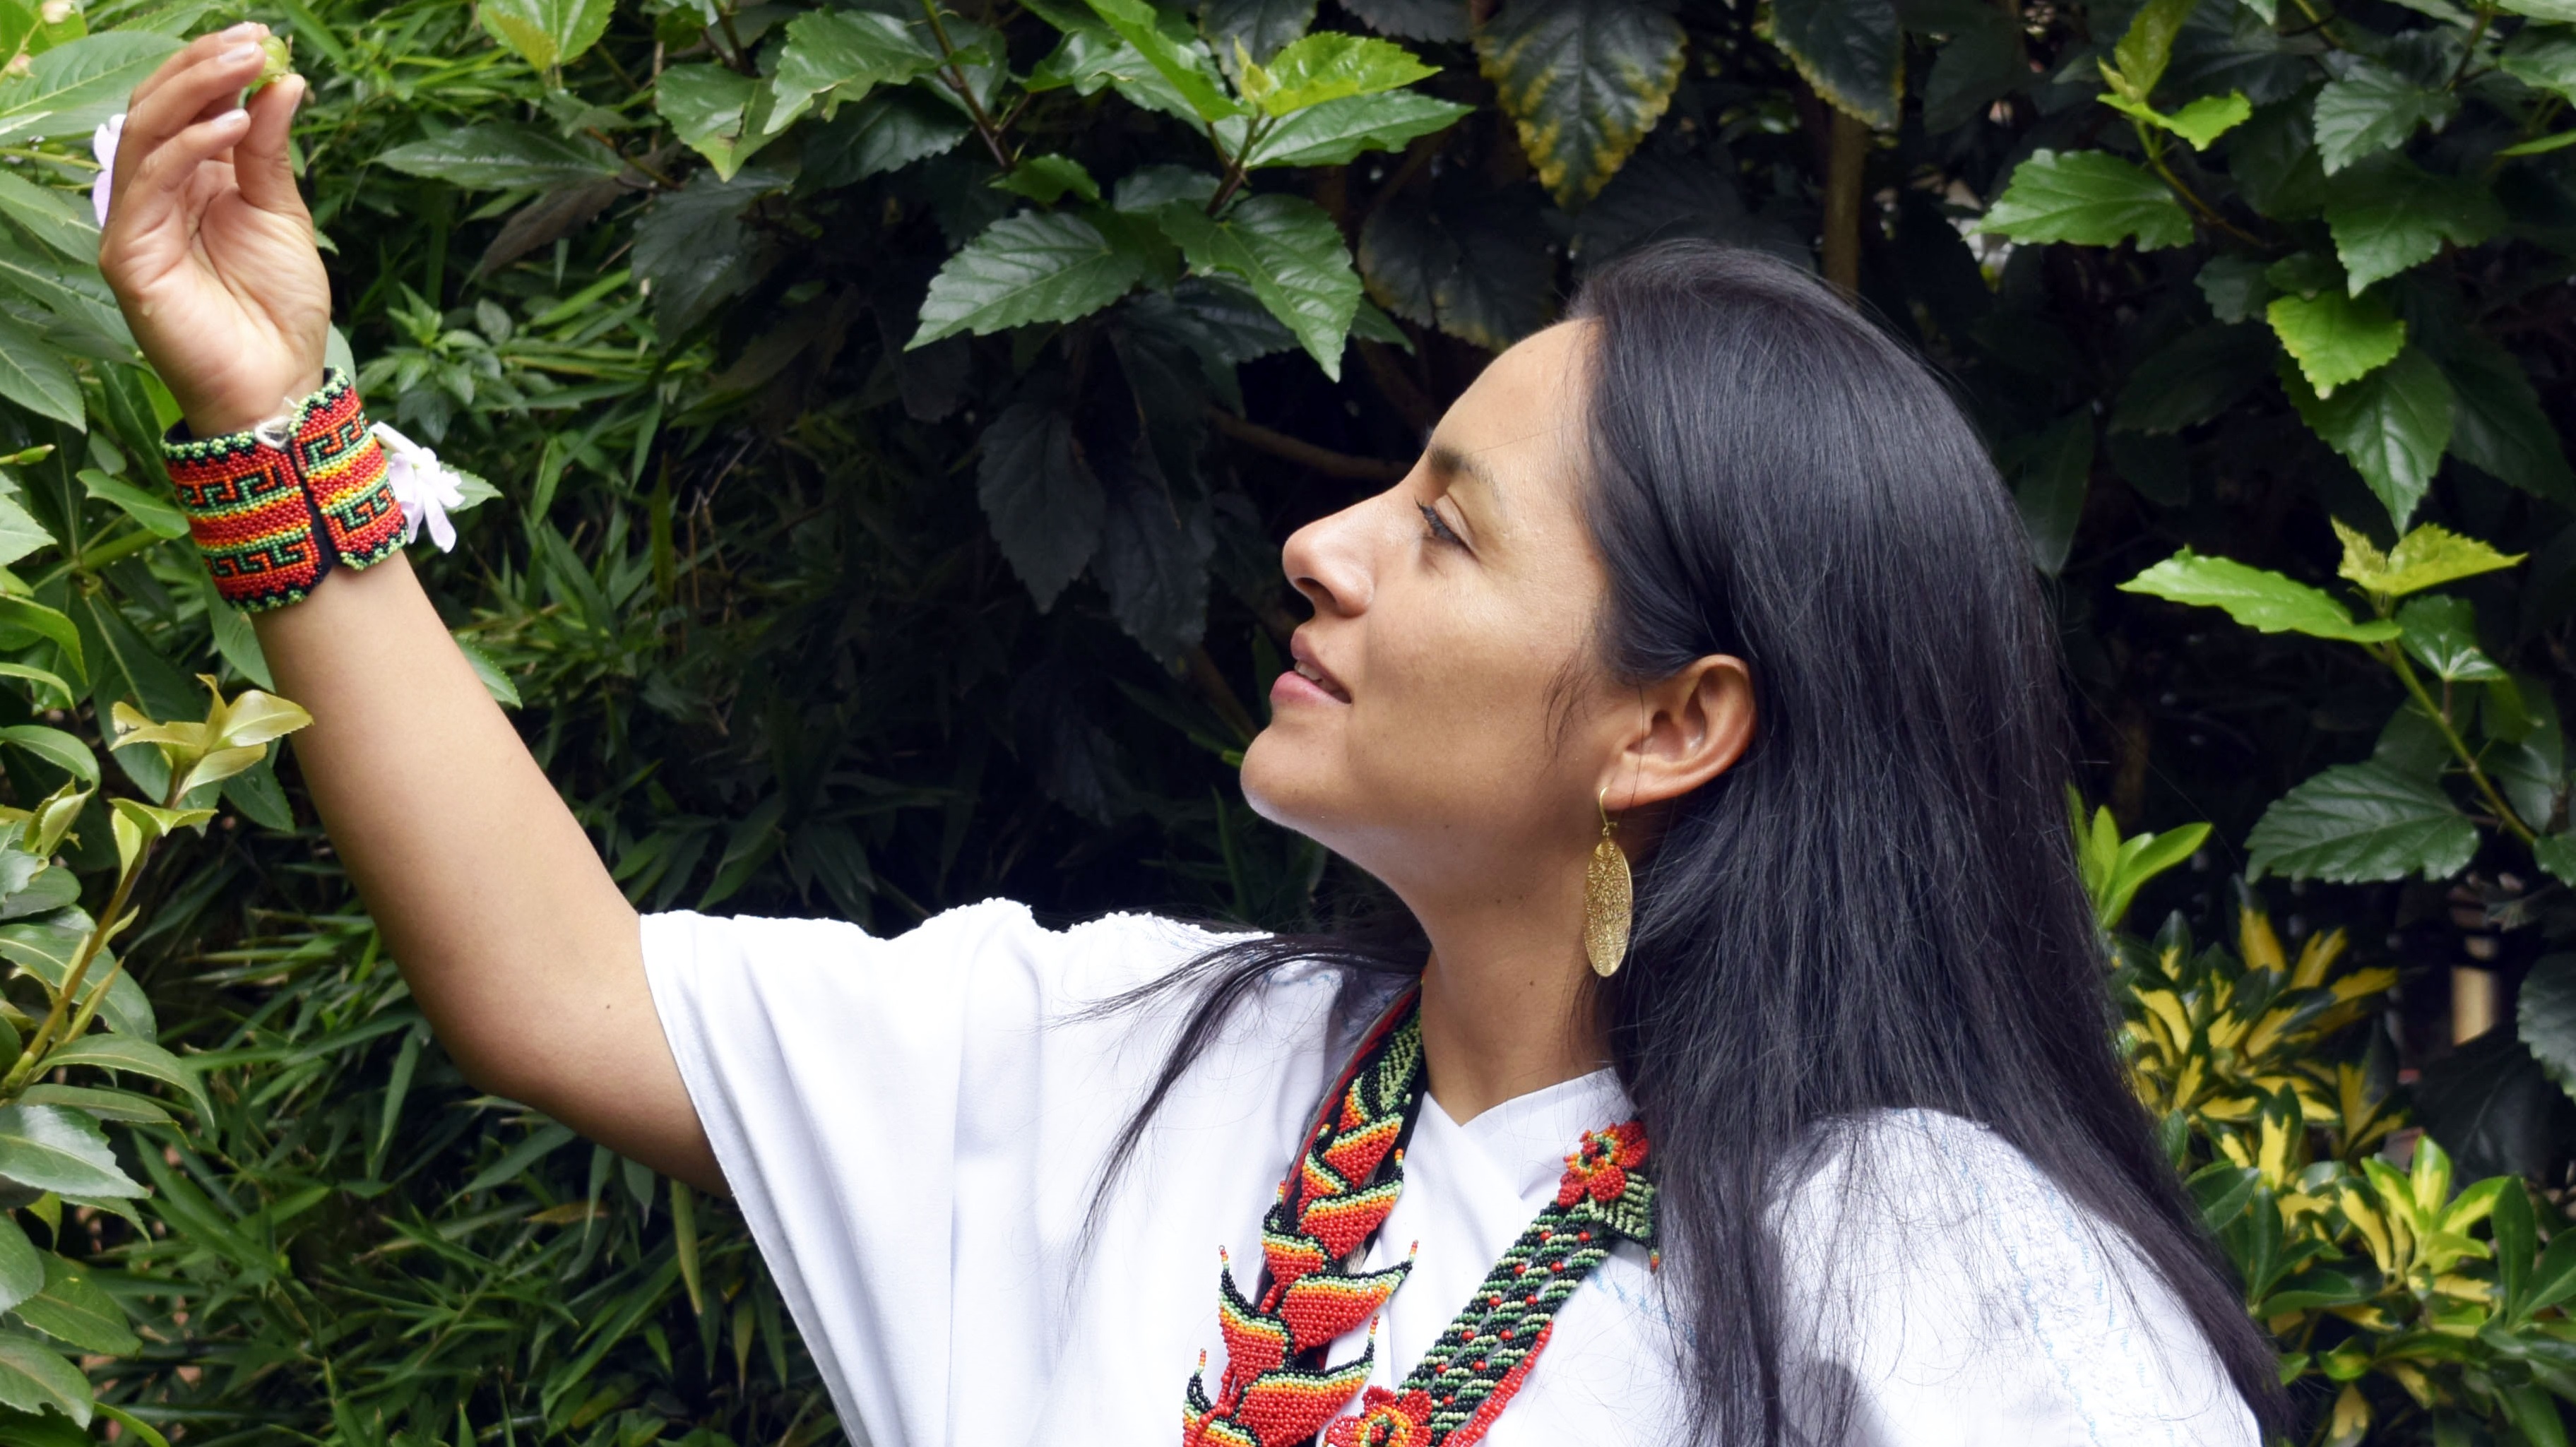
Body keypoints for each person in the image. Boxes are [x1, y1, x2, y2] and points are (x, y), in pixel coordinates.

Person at [100, 24, 2284, 1447]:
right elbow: (561, 985)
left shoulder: (1942, 1274)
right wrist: (272, 413)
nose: (1324, 545)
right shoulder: (1141, 1060)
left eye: (1447, 526)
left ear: (1671, 722)